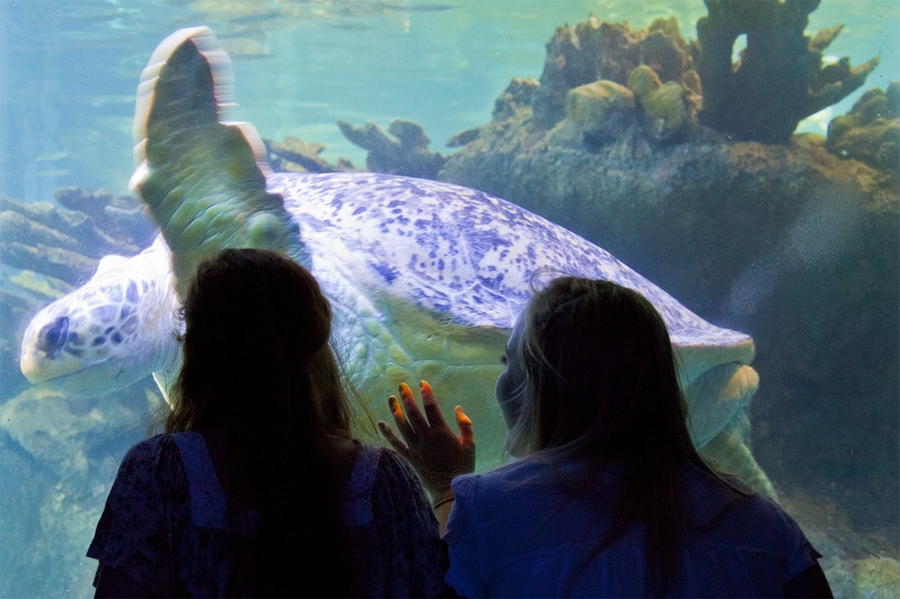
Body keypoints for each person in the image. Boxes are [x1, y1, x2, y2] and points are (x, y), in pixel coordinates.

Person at [380, 276, 833, 598]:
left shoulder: (486, 508)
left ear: (543, 387)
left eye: (509, 364)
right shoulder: (768, 528)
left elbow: (437, 584)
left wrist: (444, 490)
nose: (503, 382)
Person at [88, 248, 448, 598]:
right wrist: (448, 487)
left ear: (195, 348)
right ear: (316, 343)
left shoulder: (158, 472)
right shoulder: (385, 482)